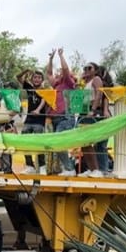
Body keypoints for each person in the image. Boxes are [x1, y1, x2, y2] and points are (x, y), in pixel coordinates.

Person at [46, 48, 77, 176]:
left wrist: (61, 56)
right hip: (55, 118)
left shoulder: (69, 83)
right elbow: (48, 74)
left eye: (60, 73)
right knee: (56, 144)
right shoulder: (56, 85)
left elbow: (65, 70)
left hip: (65, 116)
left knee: (58, 142)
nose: (58, 73)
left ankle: (69, 169)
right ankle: (68, 167)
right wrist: (51, 59)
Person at [17, 68, 47, 175]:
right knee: (25, 141)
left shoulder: (44, 90)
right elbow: (18, 77)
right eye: (35, 77)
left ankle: (42, 166)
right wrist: (26, 71)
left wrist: (38, 110)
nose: (37, 79)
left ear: (42, 79)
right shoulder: (29, 88)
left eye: (39, 77)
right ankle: (30, 166)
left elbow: (44, 100)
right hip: (29, 119)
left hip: (39, 120)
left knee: (39, 142)